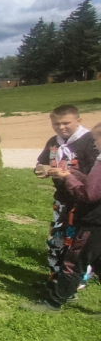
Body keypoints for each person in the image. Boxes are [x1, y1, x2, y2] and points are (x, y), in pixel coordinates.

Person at [40, 122, 101, 311]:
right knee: (98, 262)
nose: (93, 143)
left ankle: (54, 301)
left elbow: (89, 194)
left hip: (94, 221)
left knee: (75, 261)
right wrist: (73, 173)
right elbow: (94, 186)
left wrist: (67, 178)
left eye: (96, 139)